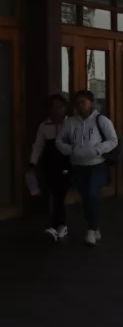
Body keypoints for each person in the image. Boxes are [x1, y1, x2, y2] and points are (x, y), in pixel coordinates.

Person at [55, 90, 118, 247]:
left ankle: (91, 229)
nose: (80, 105)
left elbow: (113, 140)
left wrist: (96, 149)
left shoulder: (101, 120)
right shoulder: (70, 122)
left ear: (91, 103)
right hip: (78, 166)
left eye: (83, 102)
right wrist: (70, 150)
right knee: (86, 198)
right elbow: (59, 141)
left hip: (97, 165)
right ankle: (94, 228)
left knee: (92, 194)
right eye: (77, 102)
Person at [30, 94, 71, 241]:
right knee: (54, 193)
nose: (56, 110)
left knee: (59, 194)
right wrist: (32, 162)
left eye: (59, 107)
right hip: (50, 165)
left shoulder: (70, 124)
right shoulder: (44, 126)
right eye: (53, 107)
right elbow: (38, 145)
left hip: (66, 165)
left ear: (65, 108)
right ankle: (60, 226)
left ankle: (57, 226)